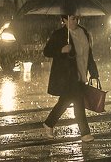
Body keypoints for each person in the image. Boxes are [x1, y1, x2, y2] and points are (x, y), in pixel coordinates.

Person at [41, 14, 100, 142]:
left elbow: (89, 54)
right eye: (72, 19)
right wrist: (61, 50)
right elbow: (47, 51)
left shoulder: (83, 32)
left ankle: (49, 123)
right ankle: (85, 133)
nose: (75, 21)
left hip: (81, 73)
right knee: (78, 102)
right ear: (64, 20)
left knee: (66, 100)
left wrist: (93, 72)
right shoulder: (59, 34)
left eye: (76, 18)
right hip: (67, 75)